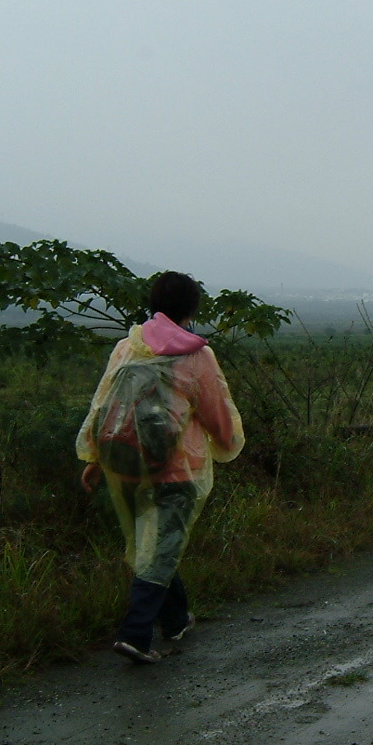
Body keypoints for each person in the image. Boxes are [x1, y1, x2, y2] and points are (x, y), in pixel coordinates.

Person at [77, 272, 246, 666]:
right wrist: (227, 444)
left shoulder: (127, 348)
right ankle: (135, 634)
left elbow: (101, 405)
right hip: (176, 470)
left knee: (157, 542)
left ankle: (175, 619)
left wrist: (93, 458)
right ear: (193, 308)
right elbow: (216, 413)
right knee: (160, 547)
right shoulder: (197, 355)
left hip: (127, 464)